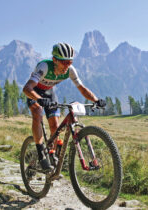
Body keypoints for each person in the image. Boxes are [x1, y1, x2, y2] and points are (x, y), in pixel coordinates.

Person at [23, 42, 106, 170]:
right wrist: (39, 99)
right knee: (38, 112)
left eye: (70, 62)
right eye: (64, 62)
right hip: (35, 92)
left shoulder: (70, 71)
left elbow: (82, 89)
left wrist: (96, 100)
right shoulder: (44, 66)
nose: (67, 66)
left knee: (55, 126)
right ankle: (41, 152)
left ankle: (52, 155)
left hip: (49, 93)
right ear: (55, 60)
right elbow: (27, 88)